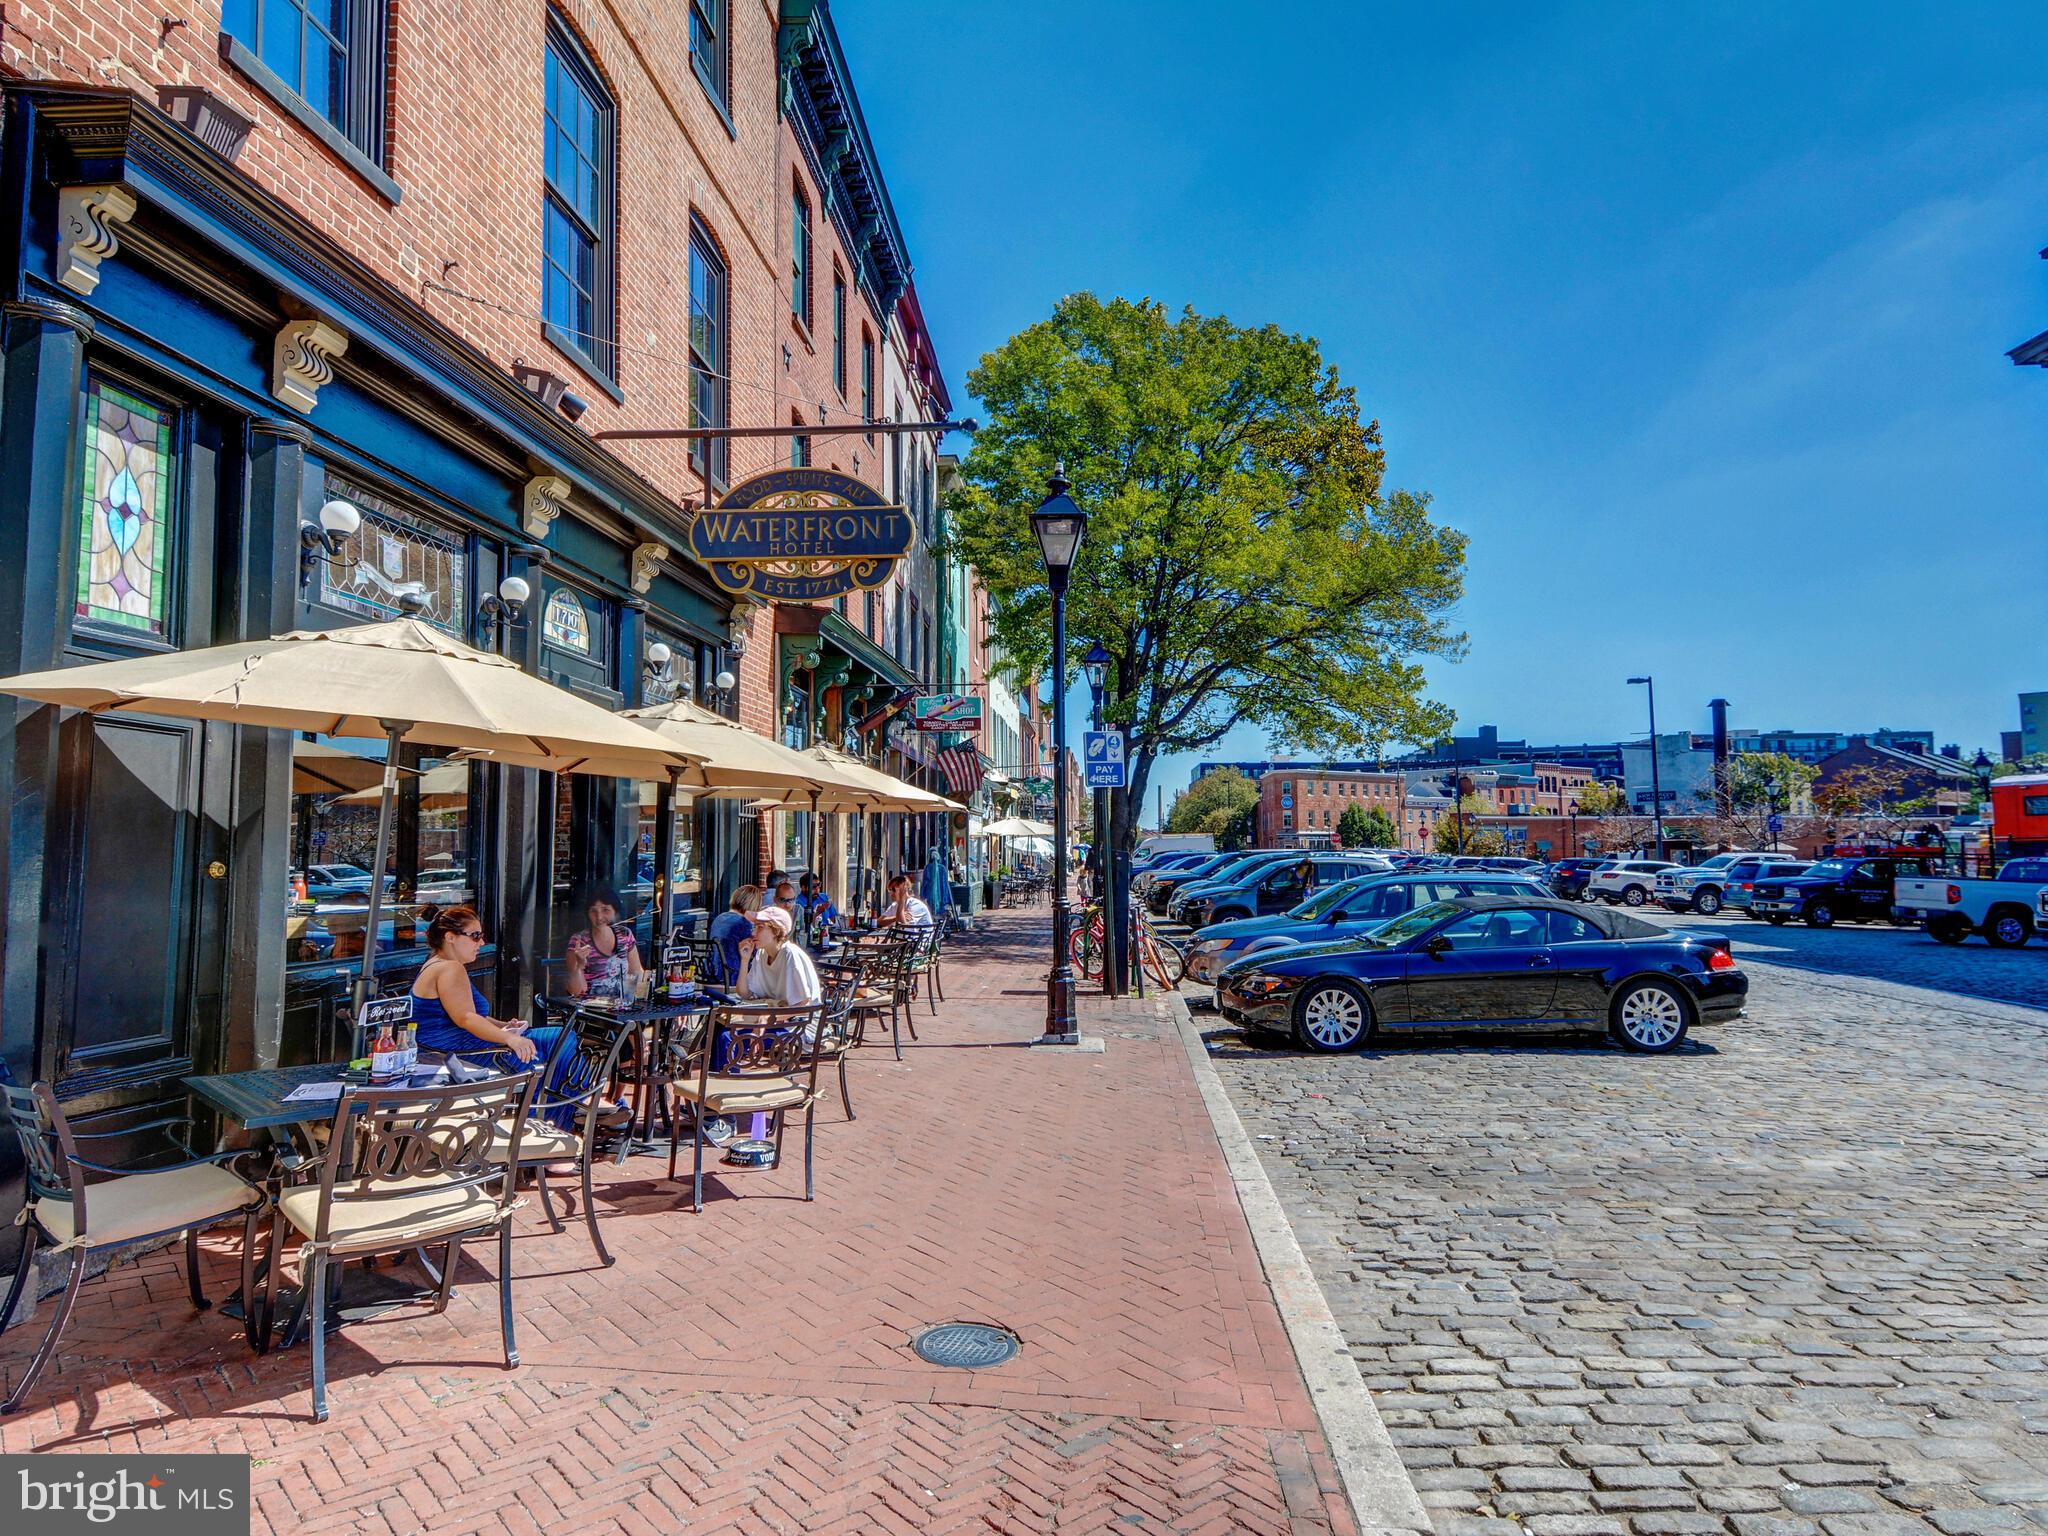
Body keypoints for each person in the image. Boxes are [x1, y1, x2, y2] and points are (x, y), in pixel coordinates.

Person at [564, 885, 643, 1001]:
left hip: (620, 1007)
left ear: (615, 911)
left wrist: (628, 1001)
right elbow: (576, 992)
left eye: (605, 910)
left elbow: (636, 972)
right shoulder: (579, 941)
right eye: (593, 911)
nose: (599, 917)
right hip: (590, 1008)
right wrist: (579, 966)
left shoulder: (625, 935)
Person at [707, 883, 762, 986]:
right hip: (732, 974)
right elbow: (756, 951)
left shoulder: (719, 918)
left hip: (712, 972)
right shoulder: (743, 923)